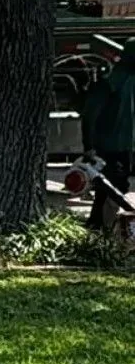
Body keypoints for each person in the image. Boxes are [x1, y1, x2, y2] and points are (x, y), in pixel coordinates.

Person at [79, 47, 135, 231]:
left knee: (111, 190)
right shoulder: (110, 82)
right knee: (111, 190)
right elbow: (89, 115)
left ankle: (100, 228)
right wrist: (89, 146)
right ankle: (101, 228)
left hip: (123, 145)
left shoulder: (125, 80)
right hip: (110, 147)